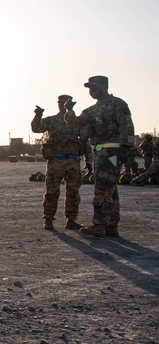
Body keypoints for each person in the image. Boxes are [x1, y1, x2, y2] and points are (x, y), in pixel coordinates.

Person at [77, 76, 135, 238]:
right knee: (111, 188)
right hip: (100, 153)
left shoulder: (117, 104)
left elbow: (127, 125)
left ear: (104, 86)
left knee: (102, 186)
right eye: (89, 88)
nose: (91, 90)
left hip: (113, 153)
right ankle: (111, 225)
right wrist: (69, 111)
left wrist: (125, 147)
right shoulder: (92, 110)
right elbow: (77, 122)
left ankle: (99, 225)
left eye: (94, 87)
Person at [31, 95, 83, 230]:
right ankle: (48, 219)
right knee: (52, 192)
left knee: (73, 192)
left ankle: (71, 219)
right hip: (56, 160)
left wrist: (89, 160)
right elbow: (36, 129)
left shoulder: (76, 121)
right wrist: (38, 115)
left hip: (72, 160)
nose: (63, 106)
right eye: (61, 103)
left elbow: (84, 140)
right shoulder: (52, 120)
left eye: (66, 104)